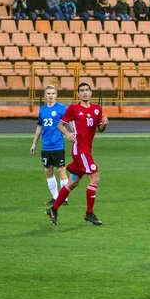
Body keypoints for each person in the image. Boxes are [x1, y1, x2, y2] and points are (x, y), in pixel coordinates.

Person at [45, 83, 109, 226]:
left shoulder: (96, 109)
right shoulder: (73, 109)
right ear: (78, 94)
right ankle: (89, 213)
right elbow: (60, 125)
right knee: (95, 178)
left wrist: (105, 123)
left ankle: (53, 209)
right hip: (80, 150)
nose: (85, 93)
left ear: (91, 93)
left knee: (72, 183)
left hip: (87, 150)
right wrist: (68, 134)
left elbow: (100, 129)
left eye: (87, 90)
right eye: (82, 91)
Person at [30, 86, 69, 205]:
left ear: (56, 95)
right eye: (48, 93)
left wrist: (73, 133)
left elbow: (70, 121)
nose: (51, 95)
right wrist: (34, 143)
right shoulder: (42, 110)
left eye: (53, 93)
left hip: (58, 145)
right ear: (45, 95)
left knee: (61, 170)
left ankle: (64, 198)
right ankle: (55, 197)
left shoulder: (62, 108)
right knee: (48, 171)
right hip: (46, 146)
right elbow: (39, 127)